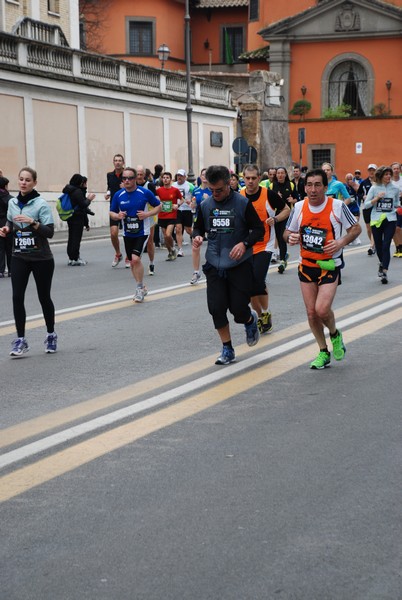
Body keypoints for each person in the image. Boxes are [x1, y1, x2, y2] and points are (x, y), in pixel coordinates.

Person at [284, 168, 361, 370]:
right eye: (309, 185)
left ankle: (335, 334)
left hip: (329, 266)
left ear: (326, 188)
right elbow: (287, 233)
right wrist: (290, 237)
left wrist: (340, 242)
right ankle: (323, 351)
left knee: (321, 309)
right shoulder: (299, 207)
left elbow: (356, 229)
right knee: (311, 313)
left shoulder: (336, 206)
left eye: (318, 185)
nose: (313, 189)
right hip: (306, 265)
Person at [192, 165, 264, 365]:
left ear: (229, 183)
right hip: (215, 264)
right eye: (212, 190)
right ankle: (227, 348)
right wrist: (197, 237)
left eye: (220, 190)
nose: (215, 194)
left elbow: (258, 230)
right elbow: (197, 227)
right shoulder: (206, 205)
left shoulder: (242, 203)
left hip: (239, 264)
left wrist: (245, 243)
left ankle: (249, 320)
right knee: (216, 308)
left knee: (238, 310)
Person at [0, 167, 57, 356]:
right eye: (21, 179)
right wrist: (6, 229)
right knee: (17, 297)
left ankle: (51, 334)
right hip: (19, 257)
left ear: (34, 183)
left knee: (44, 297)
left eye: (27, 180)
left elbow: (49, 232)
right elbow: (10, 222)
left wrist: (32, 222)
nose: (23, 183)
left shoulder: (41, 204)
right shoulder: (13, 203)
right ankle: (21, 340)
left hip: (41, 258)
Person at [240, 164, 290, 334]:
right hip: (246, 245)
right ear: (243, 178)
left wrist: (275, 219)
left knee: (257, 280)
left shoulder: (268, 194)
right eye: (247, 178)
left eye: (254, 178)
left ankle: (265, 312)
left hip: (265, 244)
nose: (251, 181)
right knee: (249, 284)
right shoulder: (239, 196)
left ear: (259, 178)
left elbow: (286, 209)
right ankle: (261, 316)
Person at [110, 167, 161, 302]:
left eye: (130, 178)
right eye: (124, 178)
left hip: (142, 232)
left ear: (135, 179)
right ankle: (142, 286)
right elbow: (111, 212)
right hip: (127, 233)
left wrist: (147, 214)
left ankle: (139, 289)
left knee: (136, 259)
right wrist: (117, 215)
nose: (127, 180)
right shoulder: (118, 195)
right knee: (132, 262)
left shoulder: (144, 192)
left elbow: (158, 206)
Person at [364, 165, 400, 284]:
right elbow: (366, 205)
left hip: (390, 219)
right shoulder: (374, 189)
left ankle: (384, 271)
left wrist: (398, 208)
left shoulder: (395, 189)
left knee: (386, 245)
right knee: (378, 246)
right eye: (386, 174)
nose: (389, 176)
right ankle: (382, 263)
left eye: (389, 174)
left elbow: (396, 203)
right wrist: (376, 199)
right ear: (381, 176)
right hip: (376, 219)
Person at [265, 166, 298, 273]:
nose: (280, 175)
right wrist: (276, 197)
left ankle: (283, 260)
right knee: (277, 238)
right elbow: (267, 200)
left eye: (282, 173)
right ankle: (283, 254)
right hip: (275, 215)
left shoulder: (291, 184)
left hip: (287, 214)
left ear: (285, 174)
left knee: (282, 237)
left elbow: (297, 198)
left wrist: (292, 200)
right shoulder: (272, 185)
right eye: (278, 173)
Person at [63, 174, 95, 266]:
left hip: (71, 216)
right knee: (76, 239)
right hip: (77, 217)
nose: (85, 185)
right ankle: (75, 258)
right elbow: (83, 205)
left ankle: (71, 258)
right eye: (84, 183)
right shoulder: (77, 192)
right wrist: (89, 199)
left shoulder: (69, 190)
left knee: (71, 238)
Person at [190, 168, 212, 285]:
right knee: (195, 246)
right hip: (199, 221)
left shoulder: (212, 190)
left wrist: (206, 199)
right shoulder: (196, 190)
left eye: (206, 174)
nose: (204, 176)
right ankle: (196, 272)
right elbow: (193, 206)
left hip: (212, 220)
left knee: (212, 245)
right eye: (202, 174)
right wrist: (192, 204)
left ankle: (212, 268)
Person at [105, 153, 127, 267]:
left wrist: (126, 187)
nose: (117, 162)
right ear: (113, 162)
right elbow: (109, 186)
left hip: (127, 206)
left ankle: (129, 256)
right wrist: (108, 193)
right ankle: (118, 254)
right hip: (114, 206)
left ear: (123, 163)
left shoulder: (127, 175)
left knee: (128, 234)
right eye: (115, 160)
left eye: (119, 160)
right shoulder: (109, 175)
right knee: (113, 233)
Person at [156, 172, 182, 261]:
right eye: (164, 178)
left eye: (167, 177)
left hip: (171, 215)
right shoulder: (159, 190)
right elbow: (156, 200)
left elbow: (182, 200)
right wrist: (158, 203)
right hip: (162, 215)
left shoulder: (175, 190)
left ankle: (173, 247)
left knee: (168, 235)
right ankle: (170, 251)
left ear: (170, 179)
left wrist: (177, 205)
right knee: (165, 236)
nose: (165, 179)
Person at [136, 165, 157, 275]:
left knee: (149, 240)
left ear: (144, 175)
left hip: (149, 214)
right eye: (137, 174)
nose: (139, 177)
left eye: (141, 174)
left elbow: (156, 200)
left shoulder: (150, 185)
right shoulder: (132, 185)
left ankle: (151, 263)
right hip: (136, 215)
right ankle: (137, 261)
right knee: (136, 239)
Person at [173, 169, 195, 256]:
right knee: (178, 229)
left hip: (187, 209)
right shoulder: (173, 185)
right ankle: (180, 250)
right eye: (178, 175)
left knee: (188, 229)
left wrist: (192, 202)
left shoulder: (189, 185)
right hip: (177, 209)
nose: (179, 177)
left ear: (185, 177)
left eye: (181, 176)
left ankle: (196, 236)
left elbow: (195, 195)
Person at [358, 164, 377, 255]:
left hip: (376, 208)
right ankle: (374, 243)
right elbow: (359, 193)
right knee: (369, 229)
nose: (371, 172)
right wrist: (363, 196)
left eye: (373, 170)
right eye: (370, 170)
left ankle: (372, 246)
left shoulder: (379, 182)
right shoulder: (364, 182)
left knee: (374, 228)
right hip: (366, 207)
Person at [0, 176, 13, 277]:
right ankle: (11, 270)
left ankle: (0, 270)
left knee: (0, 248)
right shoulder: (10, 199)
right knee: (9, 248)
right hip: (8, 225)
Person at [390, 162, 402, 257]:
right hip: (391, 208)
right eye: (394, 169)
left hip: (401, 207)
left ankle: (400, 247)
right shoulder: (389, 182)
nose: (396, 170)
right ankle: (398, 248)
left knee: (398, 228)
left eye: (398, 168)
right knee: (393, 229)